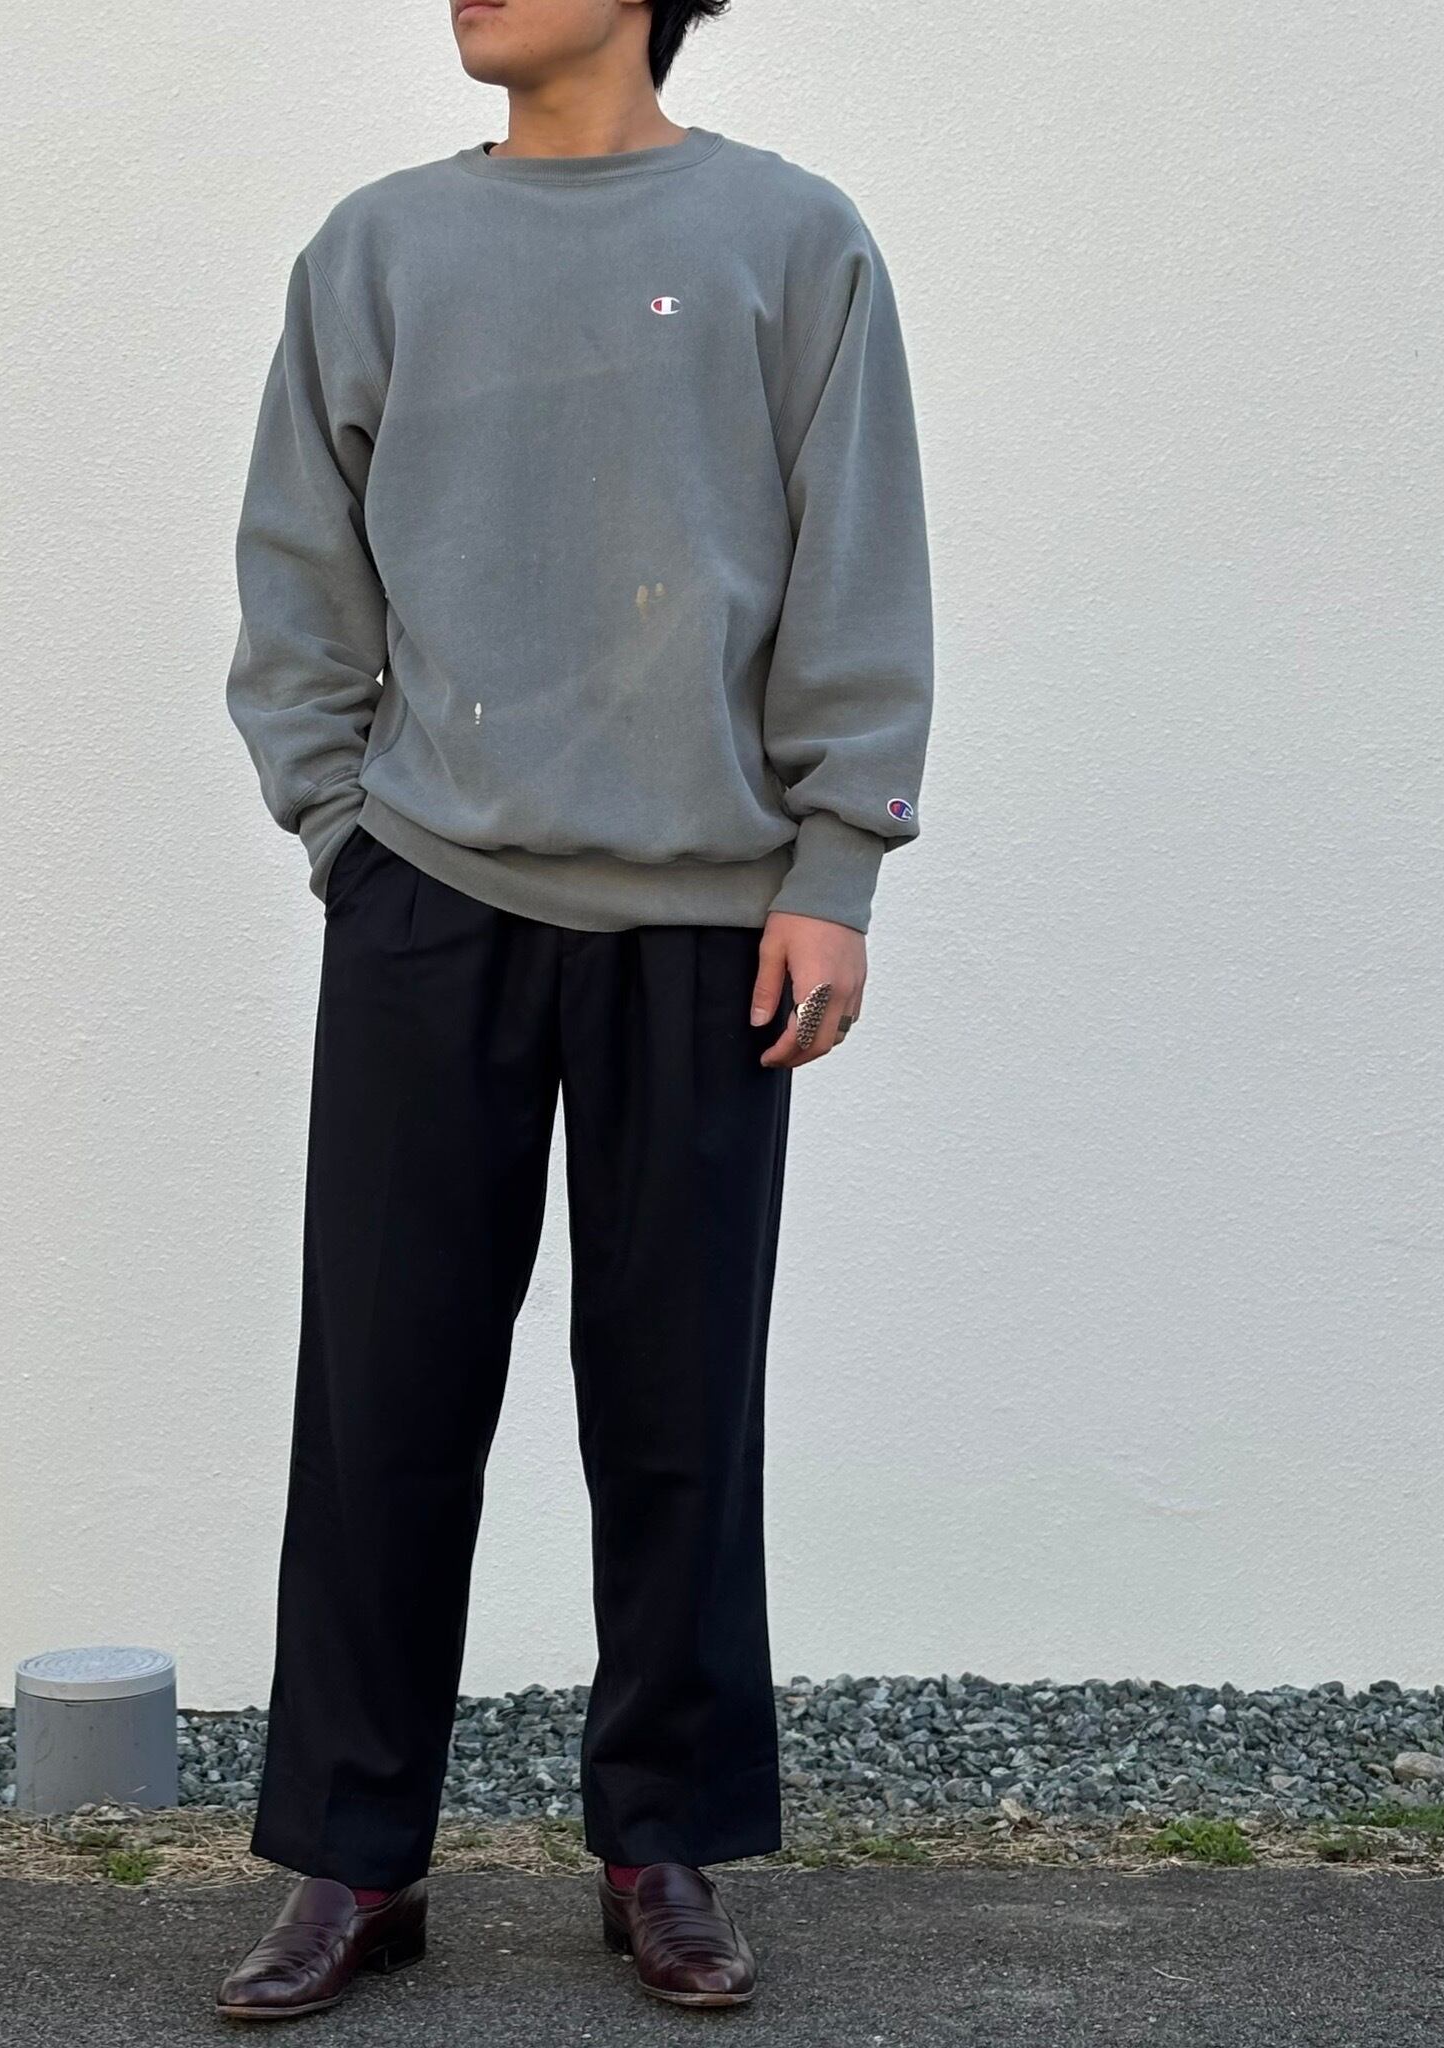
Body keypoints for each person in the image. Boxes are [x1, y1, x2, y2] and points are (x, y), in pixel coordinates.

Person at [215, 0, 932, 2019]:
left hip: (707, 920)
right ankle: (355, 1860)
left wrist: (835, 867)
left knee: (679, 1400)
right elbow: (298, 569)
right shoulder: (375, 249)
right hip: (426, 896)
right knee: (382, 1399)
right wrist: (341, 827)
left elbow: (855, 556)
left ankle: (662, 1844)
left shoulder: (792, 240)